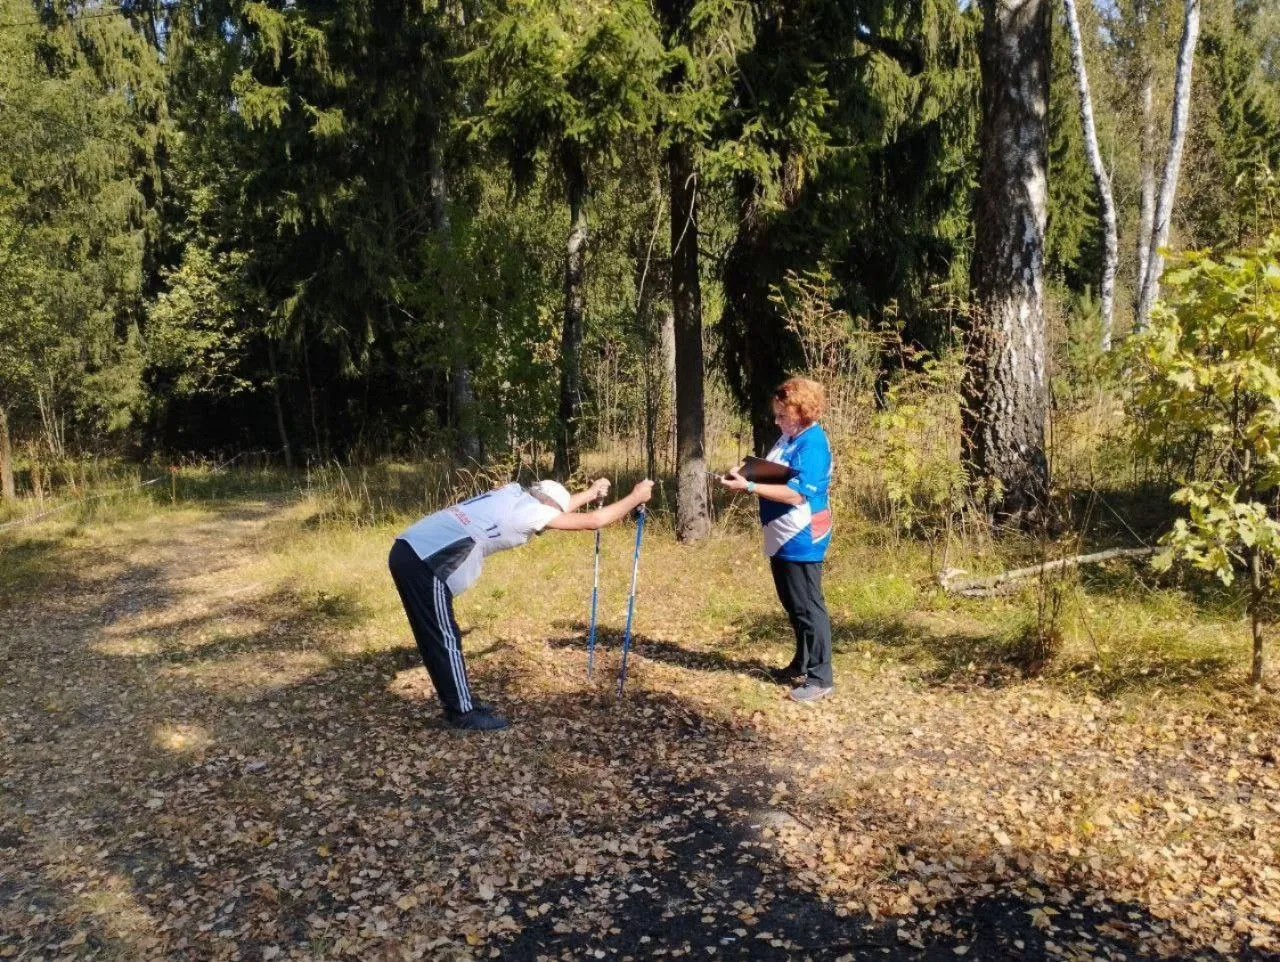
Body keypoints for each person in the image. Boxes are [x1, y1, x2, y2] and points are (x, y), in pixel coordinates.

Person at [389, 476, 654, 731]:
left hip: (413, 547)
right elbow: (593, 520)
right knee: (444, 638)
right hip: (427, 560)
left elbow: (554, 510)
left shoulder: (513, 494)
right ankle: (463, 714)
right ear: (547, 506)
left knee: (442, 635)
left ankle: (462, 703)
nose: (545, 529)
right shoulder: (530, 513)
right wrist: (636, 497)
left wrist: (590, 493)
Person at [721, 377, 834, 702]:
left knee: (808, 605)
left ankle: (820, 676)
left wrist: (750, 488)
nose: (777, 420)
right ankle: (802, 662)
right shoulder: (788, 437)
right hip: (780, 532)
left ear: (801, 412)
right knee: (792, 603)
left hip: (803, 534)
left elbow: (796, 494)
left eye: (782, 414)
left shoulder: (813, 444)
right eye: (777, 414)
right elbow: (776, 471)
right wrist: (746, 474)